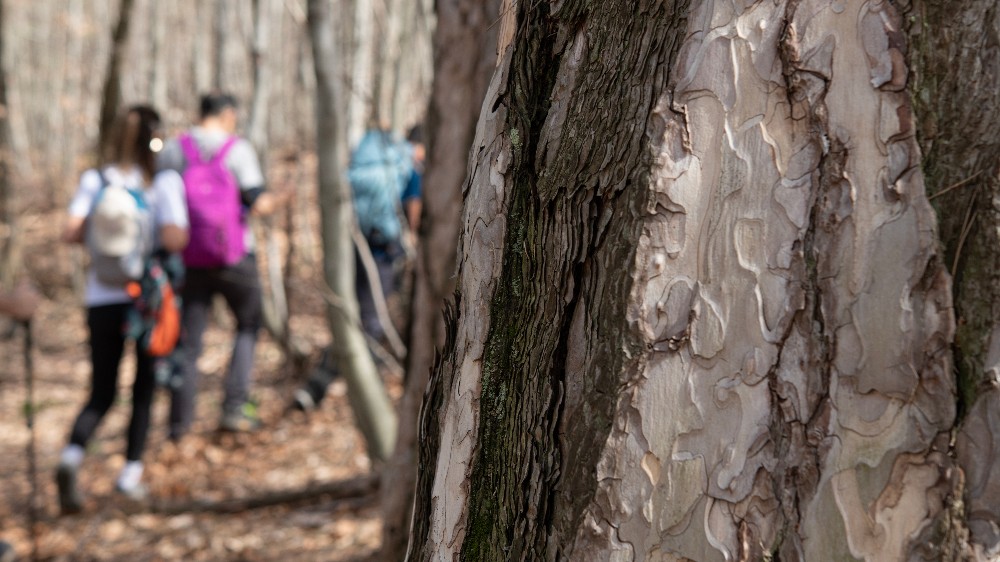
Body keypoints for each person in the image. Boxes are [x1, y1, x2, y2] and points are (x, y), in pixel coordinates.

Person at [56, 105, 189, 513]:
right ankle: (130, 473)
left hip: (101, 297)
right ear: (156, 139)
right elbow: (175, 237)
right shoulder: (161, 182)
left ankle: (70, 457)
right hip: (147, 302)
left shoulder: (95, 179)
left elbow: (70, 232)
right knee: (144, 391)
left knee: (102, 391)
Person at [158, 92, 282, 437]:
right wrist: (281, 198)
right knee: (247, 324)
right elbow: (258, 202)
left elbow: (162, 201)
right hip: (235, 257)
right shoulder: (237, 149)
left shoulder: (173, 149)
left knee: (188, 342)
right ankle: (234, 407)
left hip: (188, 258)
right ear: (228, 114)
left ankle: (179, 425)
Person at [291, 126, 418, 412]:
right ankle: (355, 386)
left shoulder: (365, 166)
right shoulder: (405, 166)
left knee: (353, 317)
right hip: (383, 253)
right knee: (370, 322)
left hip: (353, 249)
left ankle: (322, 385)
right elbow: (414, 210)